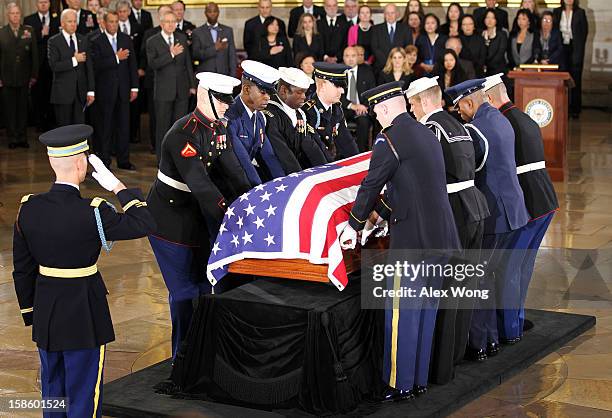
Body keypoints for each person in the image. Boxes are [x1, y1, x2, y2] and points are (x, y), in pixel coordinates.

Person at [13, 124, 155, 418]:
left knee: (53, 391)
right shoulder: (94, 210)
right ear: (81, 164)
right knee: (83, 393)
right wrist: (117, 186)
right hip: (84, 314)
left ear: (53, 162)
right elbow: (144, 223)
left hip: (46, 313)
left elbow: (22, 270)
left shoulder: (28, 208)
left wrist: (31, 313)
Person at [339, 80, 460, 401]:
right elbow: (408, 189)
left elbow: (371, 183)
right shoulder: (426, 132)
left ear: (386, 108)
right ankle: (418, 379)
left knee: (401, 313)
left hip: (413, 243)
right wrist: (381, 212)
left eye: (378, 111)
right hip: (442, 237)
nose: (377, 117)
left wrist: (354, 223)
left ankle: (398, 384)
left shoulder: (389, 139)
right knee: (426, 309)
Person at [147, 72, 251, 360]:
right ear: (204, 96)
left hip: (195, 217)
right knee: (183, 293)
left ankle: (202, 349)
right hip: (169, 222)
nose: (228, 106)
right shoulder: (184, 134)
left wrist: (252, 200)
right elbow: (202, 186)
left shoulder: (218, 128)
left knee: (206, 286)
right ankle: (182, 357)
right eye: (222, 100)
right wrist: (230, 216)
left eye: (229, 101)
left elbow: (235, 172)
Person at [405, 76, 489, 385]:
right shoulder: (459, 125)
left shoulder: (431, 130)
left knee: (444, 291)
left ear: (425, 102)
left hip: (453, 211)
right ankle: (454, 355)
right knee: (462, 289)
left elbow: (425, 179)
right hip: (475, 207)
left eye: (413, 104)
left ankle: (438, 368)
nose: (411, 110)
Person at [445, 79, 529, 361]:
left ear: (469, 102)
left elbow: (468, 173)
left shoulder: (475, 130)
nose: (460, 115)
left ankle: (480, 342)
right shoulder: (500, 119)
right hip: (514, 210)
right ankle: (491, 339)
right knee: (489, 276)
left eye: (460, 109)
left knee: (478, 279)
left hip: (494, 215)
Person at [484, 73, 559, 344]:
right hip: (546, 201)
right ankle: (515, 317)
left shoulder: (503, 123)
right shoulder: (524, 116)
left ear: (490, 98)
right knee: (522, 266)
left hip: (530, 204)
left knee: (510, 268)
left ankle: (509, 328)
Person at [89, 9, 138, 170]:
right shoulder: (96, 40)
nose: (114, 25)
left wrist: (134, 87)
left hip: (123, 90)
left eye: (116, 22)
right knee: (105, 128)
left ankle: (124, 161)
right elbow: (95, 65)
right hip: (105, 92)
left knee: (124, 127)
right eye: (111, 22)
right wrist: (116, 58)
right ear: (103, 23)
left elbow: (132, 64)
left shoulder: (125, 39)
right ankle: (104, 162)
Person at [226, 60, 285, 186]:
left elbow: (269, 157)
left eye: (269, 93)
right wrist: (257, 191)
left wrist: (283, 184)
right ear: (246, 89)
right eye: (263, 92)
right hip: (230, 185)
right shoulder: (230, 118)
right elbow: (243, 162)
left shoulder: (259, 117)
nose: (268, 98)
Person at [146, 10, 195, 160]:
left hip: (182, 90)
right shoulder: (152, 41)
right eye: (167, 21)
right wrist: (171, 54)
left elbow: (188, 63)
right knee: (163, 127)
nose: (171, 24)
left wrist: (192, 85)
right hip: (163, 91)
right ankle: (162, 160)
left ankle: (178, 159)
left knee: (180, 127)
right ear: (161, 23)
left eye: (173, 21)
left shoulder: (181, 38)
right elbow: (153, 64)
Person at [264, 67, 328, 172]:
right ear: (284, 91)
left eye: (305, 92)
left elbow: (311, 146)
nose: (304, 97)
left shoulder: (300, 113)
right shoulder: (271, 115)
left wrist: (326, 170)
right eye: (299, 92)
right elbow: (282, 153)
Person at [0, 3, 38, 149]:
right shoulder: (2, 32)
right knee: (10, 109)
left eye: (17, 13)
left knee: (23, 109)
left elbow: (34, 55)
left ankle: (22, 137)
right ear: (7, 15)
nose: (15, 16)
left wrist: (34, 75)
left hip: (24, 77)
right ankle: (12, 138)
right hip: (7, 77)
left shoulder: (28, 31)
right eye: (12, 13)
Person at [303, 62, 358, 161]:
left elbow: (346, 142)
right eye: (337, 86)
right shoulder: (308, 111)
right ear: (323, 86)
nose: (342, 91)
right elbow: (312, 151)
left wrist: (357, 162)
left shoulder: (336, 108)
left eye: (342, 86)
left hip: (332, 163)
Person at [48, 9, 94, 126]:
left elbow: (89, 68)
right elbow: (54, 66)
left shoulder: (83, 39)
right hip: (62, 94)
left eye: (75, 21)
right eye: (70, 21)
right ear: (62, 23)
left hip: (80, 94)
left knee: (79, 129)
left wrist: (90, 91)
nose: (73, 24)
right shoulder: (54, 41)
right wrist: (74, 60)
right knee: (64, 130)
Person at [140, 5, 171, 153]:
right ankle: (155, 146)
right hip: (154, 81)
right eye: (165, 17)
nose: (169, 21)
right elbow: (146, 59)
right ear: (160, 19)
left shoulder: (178, 36)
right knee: (157, 118)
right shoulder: (150, 35)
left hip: (173, 85)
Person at [24, 0, 60, 132]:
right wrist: (40, 34)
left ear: (49, 4)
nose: (43, 4)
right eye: (40, 2)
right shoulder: (29, 19)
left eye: (45, 2)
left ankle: (52, 122)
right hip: (37, 64)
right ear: (36, 4)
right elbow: (26, 41)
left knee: (52, 93)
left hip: (53, 64)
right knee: (37, 95)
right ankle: (39, 123)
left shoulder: (57, 19)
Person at [553, 0, 588, 118]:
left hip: (575, 48)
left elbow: (584, 32)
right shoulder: (557, 11)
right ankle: (564, 108)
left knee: (576, 78)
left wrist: (579, 49)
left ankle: (576, 109)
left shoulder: (580, 12)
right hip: (562, 48)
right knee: (563, 78)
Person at [342, 46, 375, 152]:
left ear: (358, 57)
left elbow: (372, 91)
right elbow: (337, 95)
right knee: (338, 120)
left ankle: (360, 153)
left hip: (362, 108)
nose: (350, 59)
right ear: (343, 58)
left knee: (364, 122)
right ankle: (343, 153)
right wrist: (352, 106)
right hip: (345, 108)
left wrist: (364, 106)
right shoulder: (338, 73)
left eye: (353, 56)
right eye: (347, 56)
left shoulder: (367, 71)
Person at [192, 2, 237, 76]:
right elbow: (196, 54)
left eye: (215, 11)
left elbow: (232, 55)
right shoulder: (197, 32)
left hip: (224, 74)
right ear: (205, 13)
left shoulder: (227, 31)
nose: (212, 14)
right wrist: (214, 48)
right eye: (209, 11)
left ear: (218, 12)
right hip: (205, 76)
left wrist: (233, 76)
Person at [371, 3, 412, 73]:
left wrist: (397, 62)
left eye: (392, 13)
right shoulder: (375, 29)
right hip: (381, 67)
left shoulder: (406, 29)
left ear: (397, 14)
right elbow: (374, 48)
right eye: (387, 13)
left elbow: (408, 47)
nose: (390, 15)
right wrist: (388, 63)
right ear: (384, 15)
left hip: (400, 68)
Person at [319, 0, 348, 64]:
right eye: (329, 6)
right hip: (322, 61)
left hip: (340, 61)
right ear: (325, 7)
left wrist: (337, 57)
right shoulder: (318, 24)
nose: (332, 8)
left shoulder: (344, 23)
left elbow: (345, 43)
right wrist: (326, 57)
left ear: (337, 7)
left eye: (334, 5)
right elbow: (318, 43)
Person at [481, 9, 508, 76]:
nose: (490, 20)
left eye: (493, 18)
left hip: (498, 71)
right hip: (483, 71)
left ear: (496, 20)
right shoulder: (481, 34)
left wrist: (487, 65)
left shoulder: (502, 34)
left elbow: (500, 53)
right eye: (487, 17)